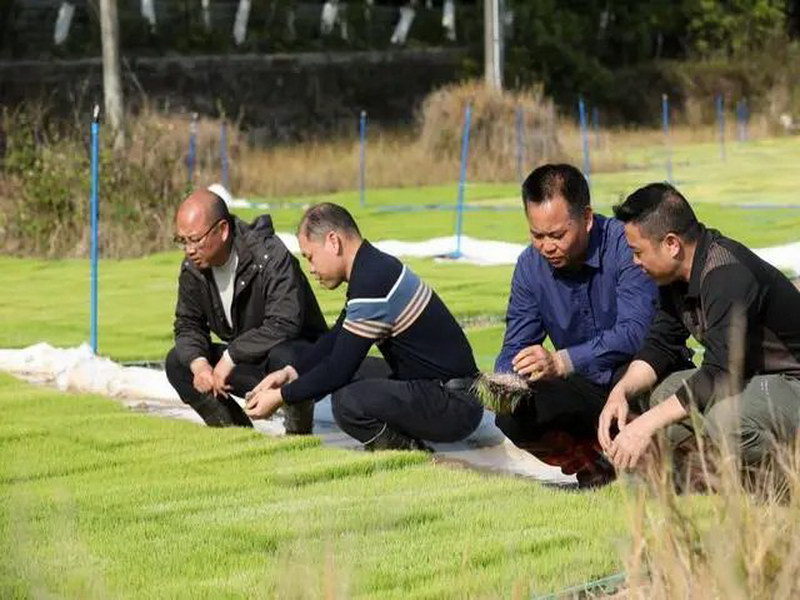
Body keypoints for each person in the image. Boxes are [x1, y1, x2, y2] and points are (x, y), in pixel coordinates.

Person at [599, 183, 800, 480]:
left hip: (793, 381)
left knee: (724, 420)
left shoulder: (727, 275)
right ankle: (703, 485)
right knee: (662, 394)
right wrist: (620, 392)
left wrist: (644, 425)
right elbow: (661, 344)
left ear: (671, 244)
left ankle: (782, 487)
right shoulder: (675, 277)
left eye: (637, 252)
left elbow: (720, 373)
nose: (634, 261)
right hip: (757, 378)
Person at [243, 202, 484, 451]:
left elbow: (337, 369)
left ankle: (407, 452)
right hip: (442, 391)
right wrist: (290, 373)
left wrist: (280, 397)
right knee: (351, 374)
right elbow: (337, 337)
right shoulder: (372, 268)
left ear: (333, 242)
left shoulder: (373, 282)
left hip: (456, 406)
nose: (312, 269)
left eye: (310, 257)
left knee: (348, 402)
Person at [494, 164, 658, 486]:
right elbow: (516, 343)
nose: (546, 246)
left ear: (586, 218)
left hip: (638, 375)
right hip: (582, 385)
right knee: (513, 415)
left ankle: (658, 465)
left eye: (557, 235)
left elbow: (636, 331)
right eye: (536, 235)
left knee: (646, 400)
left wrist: (561, 361)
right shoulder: (530, 266)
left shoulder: (626, 245)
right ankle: (593, 466)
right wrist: (503, 382)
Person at [165, 189, 327, 432]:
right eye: (183, 241)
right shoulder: (193, 269)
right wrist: (201, 367)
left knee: (285, 355)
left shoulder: (269, 254)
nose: (189, 250)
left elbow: (284, 323)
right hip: (249, 361)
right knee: (178, 361)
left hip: (301, 363)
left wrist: (230, 357)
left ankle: (299, 433)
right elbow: (188, 324)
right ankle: (234, 432)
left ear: (222, 230)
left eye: (195, 239)